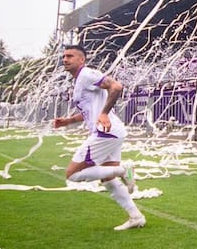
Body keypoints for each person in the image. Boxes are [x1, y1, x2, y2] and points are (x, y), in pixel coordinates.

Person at [52, 44, 145, 231]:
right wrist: (68, 121)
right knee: (108, 179)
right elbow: (88, 112)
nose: (65, 59)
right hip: (112, 131)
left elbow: (116, 87)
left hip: (106, 131)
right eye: (64, 57)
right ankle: (136, 216)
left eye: (70, 56)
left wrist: (104, 113)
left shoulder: (86, 74)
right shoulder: (79, 81)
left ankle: (123, 170)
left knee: (72, 174)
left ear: (81, 60)